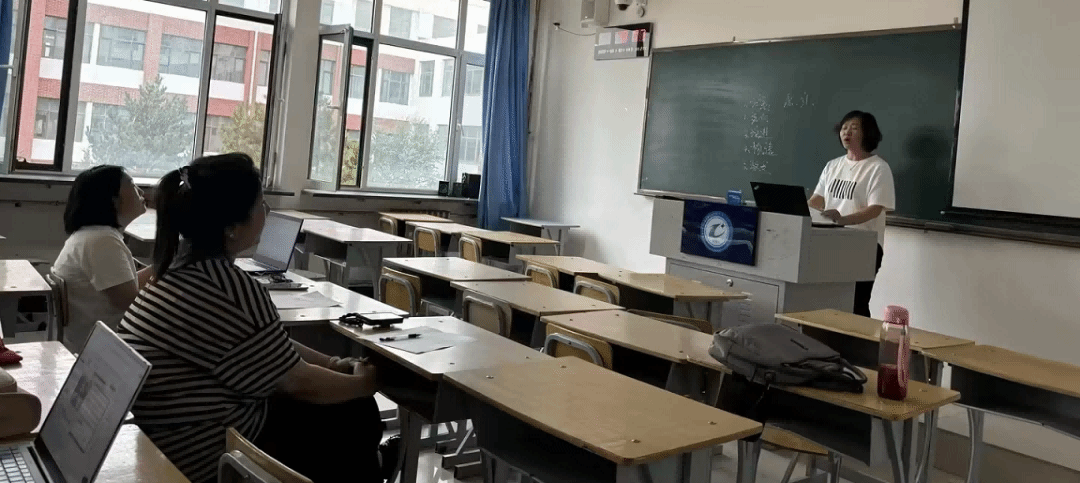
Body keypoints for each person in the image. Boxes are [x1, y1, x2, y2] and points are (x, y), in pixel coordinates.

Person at [117, 153, 386, 483]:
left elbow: (269, 348)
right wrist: (364, 384)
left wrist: (331, 363)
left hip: (170, 439)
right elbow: (299, 383)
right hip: (206, 456)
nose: (267, 211)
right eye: (260, 203)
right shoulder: (228, 288)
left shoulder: (174, 270)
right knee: (356, 410)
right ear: (231, 227)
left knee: (343, 412)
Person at [52, 165, 153, 353]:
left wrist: (164, 264)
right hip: (101, 350)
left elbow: (126, 287)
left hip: (88, 342)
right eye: (132, 185)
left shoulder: (92, 235)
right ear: (113, 199)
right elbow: (131, 303)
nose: (141, 192)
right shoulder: (102, 241)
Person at [808, 111, 896, 317]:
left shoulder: (878, 168)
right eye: (843, 128)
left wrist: (841, 220)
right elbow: (817, 200)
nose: (846, 132)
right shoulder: (833, 165)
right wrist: (798, 210)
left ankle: (860, 339)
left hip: (864, 246)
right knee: (828, 303)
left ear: (868, 133)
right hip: (830, 242)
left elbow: (874, 209)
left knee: (855, 304)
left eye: (854, 128)